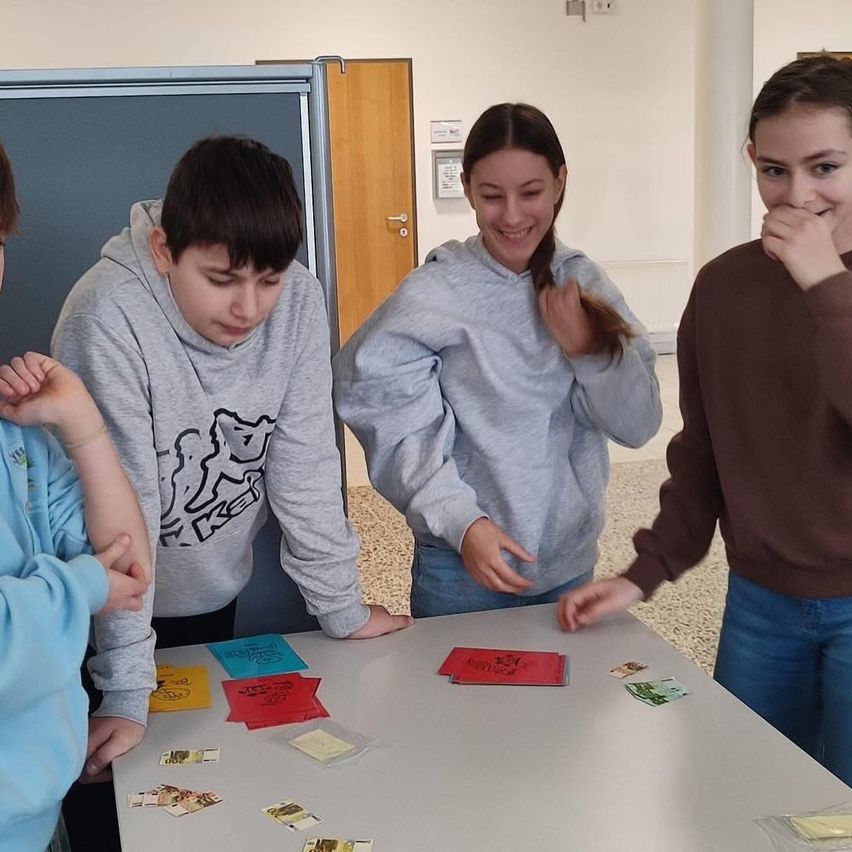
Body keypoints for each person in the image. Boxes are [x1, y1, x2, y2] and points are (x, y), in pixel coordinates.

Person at [52, 137, 412, 847]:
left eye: (269, 279)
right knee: (114, 798)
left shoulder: (299, 301)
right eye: (222, 279)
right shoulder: (108, 313)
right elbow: (119, 515)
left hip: (211, 594)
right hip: (102, 613)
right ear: (163, 250)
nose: (250, 306)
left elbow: (306, 460)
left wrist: (339, 605)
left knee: (204, 800)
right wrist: (125, 688)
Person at [557, 55, 852, 786]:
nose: (799, 195)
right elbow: (704, 454)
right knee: (740, 790)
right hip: (760, 602)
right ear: (752, 162)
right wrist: (644, 572)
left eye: (825, 167)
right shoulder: (724, 289)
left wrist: (826, 287)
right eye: (775, 170)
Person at [333, 103, 662, 618]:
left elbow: (639, 426)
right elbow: (373, 399)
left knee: (563, 696)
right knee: (458, 699)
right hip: (460, 567)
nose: (511, 215)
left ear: (559, 182)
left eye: (530, 192)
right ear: (466, 190)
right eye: (491, 196)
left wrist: (586, 350)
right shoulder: (437, 292)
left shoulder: (584, 283)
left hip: (567, 565)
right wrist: (461, 521)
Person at [0, 141, 150, 852]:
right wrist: (80, 586)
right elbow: (100, 578)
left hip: (37, 810)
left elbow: (129, 565)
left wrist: (83, 426)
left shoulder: (16, 437)